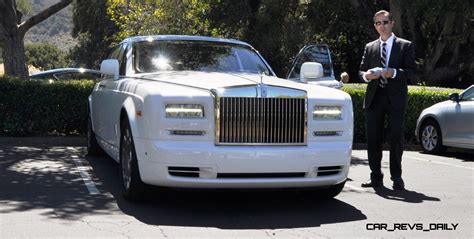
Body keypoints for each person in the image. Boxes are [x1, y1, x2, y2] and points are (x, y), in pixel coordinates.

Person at [358, 10, 417, 190]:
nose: (381, 26)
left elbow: (412, 73)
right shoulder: (370, 47)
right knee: (373, 139)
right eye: (377, 23)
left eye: (384, 22)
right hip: (374, 99)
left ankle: (396, 177)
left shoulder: (405, 46)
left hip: (395, 99)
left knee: (395, 138)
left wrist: (394, 73)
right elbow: (361, 71)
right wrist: (367, 76)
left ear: (392, 23)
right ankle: (375, 177)